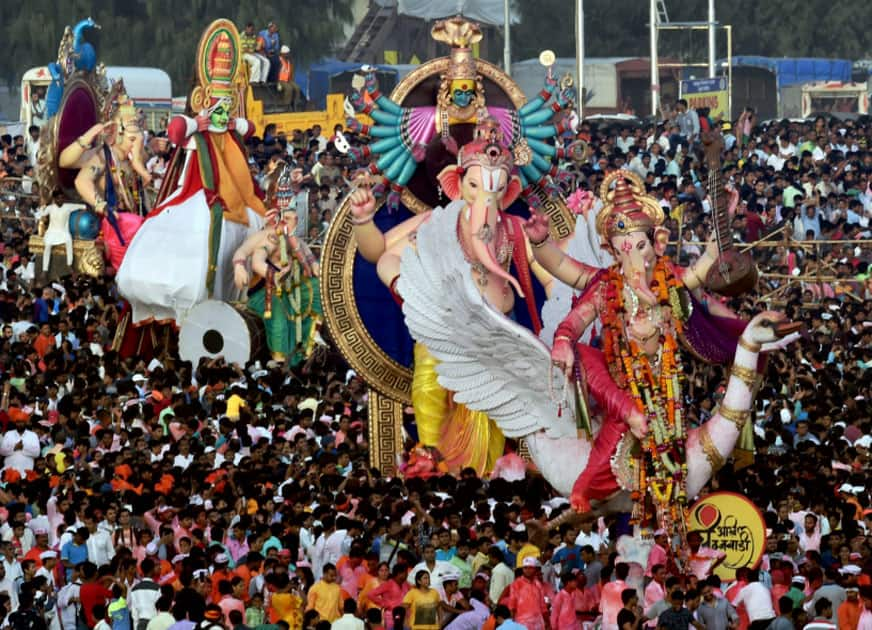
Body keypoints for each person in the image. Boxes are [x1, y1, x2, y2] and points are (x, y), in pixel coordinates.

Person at [506, 557, 549, 630]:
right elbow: (512, 606)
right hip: (522, 624)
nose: (527, 570)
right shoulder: (516, 584)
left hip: (538, 624)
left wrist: (547, 622)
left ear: (535, 569)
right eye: (525, 568)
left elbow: (543, 606)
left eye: (530, 568)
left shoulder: (538, 584)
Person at [277, 46, 303, 112]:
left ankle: (295, 104)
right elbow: (275, 72)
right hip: (281, 80)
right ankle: (286, 106)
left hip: (288, 80)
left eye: (288, 53)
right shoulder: (279, 61)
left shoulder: (289, 62)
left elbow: (290, 72)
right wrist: (277, 82)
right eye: (286, 53)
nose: (288, 55)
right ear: (283, 54)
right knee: (289, 89)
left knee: (297, 88)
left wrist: (292, 81)